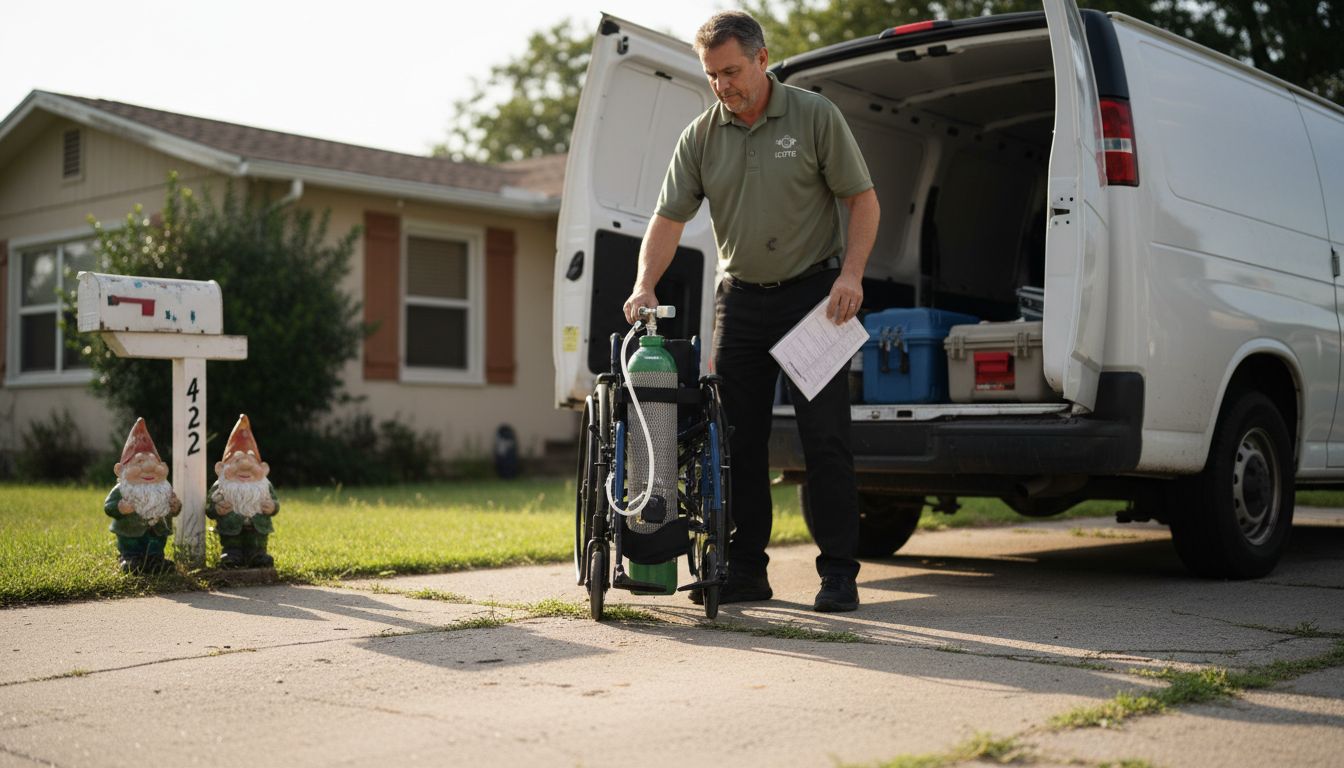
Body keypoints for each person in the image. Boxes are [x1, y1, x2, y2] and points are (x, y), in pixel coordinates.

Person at [623, 10, 879, 612]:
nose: (722, 85)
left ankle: (839, 573)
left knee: (826, 441)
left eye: (731, 71)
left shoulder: (815, 115)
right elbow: (668, 220)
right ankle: (745, 571)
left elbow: (862, 200)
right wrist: (644, 284)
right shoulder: (702, 135)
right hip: (739, 302)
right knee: (737, 440)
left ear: (762, 59)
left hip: (815, 299)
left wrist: (851, 275)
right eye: (712, 75)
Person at [103, 418, 182, 574]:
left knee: (155, 546)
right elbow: (109, 507)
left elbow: (174, 510)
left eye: (153, 461)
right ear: (120, 470)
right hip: (130, 533)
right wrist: (119, 508)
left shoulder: (164, 489)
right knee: (132, 547)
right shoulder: (122, 490)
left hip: (157, 532)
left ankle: (156, 560)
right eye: (139, 462)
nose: (149, 467)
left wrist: (175, 506)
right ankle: (130, 558)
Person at [207, 414, 280, 568]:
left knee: (257, 545)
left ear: (263, 468)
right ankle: (232, 556)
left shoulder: (264, 486)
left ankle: (258, 555)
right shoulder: (220, 486)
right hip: (231, 528)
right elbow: (209, 506)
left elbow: (276, 503)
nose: (245, 465)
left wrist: (272, 507)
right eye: (237, 460)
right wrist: (217, 509)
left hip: (258, 528)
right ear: (221, 468)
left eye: (251, 461)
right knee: (233, 546)